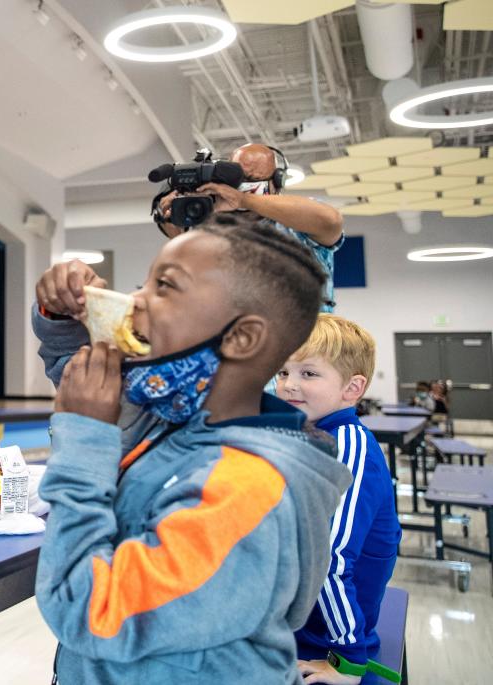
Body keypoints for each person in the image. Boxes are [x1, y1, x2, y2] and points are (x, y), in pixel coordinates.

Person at [33, 215, 351, 683]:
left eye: (164, 287)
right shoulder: (177, 416)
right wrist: (66, 317)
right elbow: (89, 375)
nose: (133, 300)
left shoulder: (244, 489)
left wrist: (84, 439)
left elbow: (89, 610)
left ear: (242, 337)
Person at [276, 314, 401, 684]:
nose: (288, 386)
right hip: (293, 615)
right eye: (283, 372)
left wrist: (347, 660)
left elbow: (328, 561)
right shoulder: (309, 433)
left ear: (352, 388)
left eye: (308, 374)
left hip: (325, 637)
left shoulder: (347, 447)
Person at [156, 143, 344, 312]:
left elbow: (331, 221)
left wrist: (244, 200)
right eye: (236, 181)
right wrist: (178, 233)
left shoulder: (297, 221)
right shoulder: (215, 230)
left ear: (276, 182)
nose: (241, 187)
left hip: (310, 342)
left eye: (252, 181)